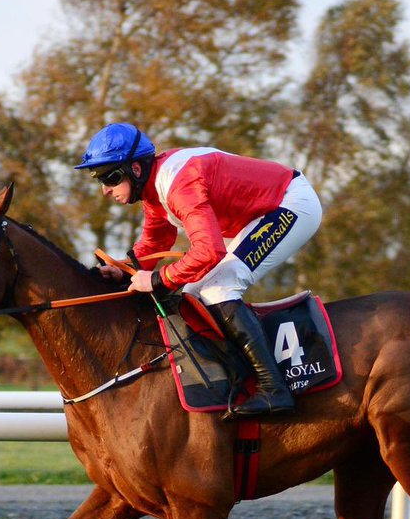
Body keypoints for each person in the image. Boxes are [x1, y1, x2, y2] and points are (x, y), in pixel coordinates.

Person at [75, 122, 323, 417]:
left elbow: (209, 251)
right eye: (99, 180)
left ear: (136, 170)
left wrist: (157, 278)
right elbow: (156, 239)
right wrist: (125, 269)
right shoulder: (154, 187)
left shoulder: (179, 184)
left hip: (289, 204)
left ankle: (274, 389)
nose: (105, 190)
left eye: (110, 178)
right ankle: (237, 376)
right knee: (192, 294)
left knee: (221, 287)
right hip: (256, 215)